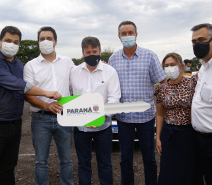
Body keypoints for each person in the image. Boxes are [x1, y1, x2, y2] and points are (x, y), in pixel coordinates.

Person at [0, 26, 61, 185]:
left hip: (15, 123)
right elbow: (18, 84)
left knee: (8, 166)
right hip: (0, 123)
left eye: (15, 42)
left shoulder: (19, 65)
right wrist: (46, 93)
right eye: (7, 41)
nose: (11, 44)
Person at [108, 21, 167, 185]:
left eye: (130, 32)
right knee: (125, 158)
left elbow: (162, 82)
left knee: (149, 157)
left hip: (146, 117)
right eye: (124, 33)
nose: (128, 36)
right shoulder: (113, 59)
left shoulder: (149, 56)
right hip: (123, 117)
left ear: (136, 34)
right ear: (119, 37)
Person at [24, 26, 74, 185]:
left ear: (56, 41)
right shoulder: (30, 65)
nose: (45, 41)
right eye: (42, 39)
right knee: (40, 161)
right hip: (40, 118)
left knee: (66, 159)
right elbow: (28, 94)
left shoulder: (67, 62)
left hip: (64, 117)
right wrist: (46, 106)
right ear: (38, 42)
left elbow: (77, 84)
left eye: (49, 38)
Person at [70, 36, 121, 185]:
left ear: (99, 50)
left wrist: (98, 117)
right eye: (88, 52)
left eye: (94, 51)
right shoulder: (74, 72)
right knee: (83, 163)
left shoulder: (110, 71)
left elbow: (114, 98)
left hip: (103, 126)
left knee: (105, 163)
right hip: (81, 128)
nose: (91, 54)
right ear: (83, 53)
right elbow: (70, 96)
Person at [154, 53, 203, 185]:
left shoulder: (193, 83)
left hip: (190, 134)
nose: (169, 68)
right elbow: (160, 114)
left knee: (190, 169)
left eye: (172, 65)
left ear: (181, 66)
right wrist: (158, 138)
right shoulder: (161, 88)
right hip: (170, 135)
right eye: (166, 66)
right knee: (170, 169)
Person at [191, 23, 212, 185]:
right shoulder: (204, 67)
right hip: (202, 141)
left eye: (202, 39)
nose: (197, 44)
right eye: (194, 41)